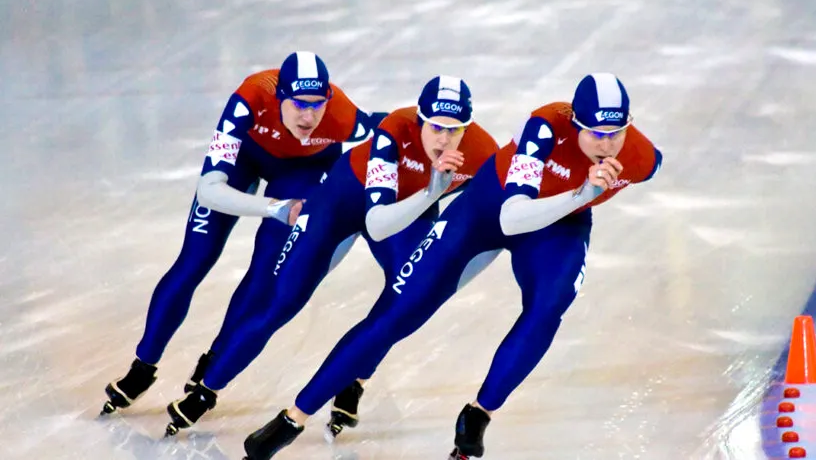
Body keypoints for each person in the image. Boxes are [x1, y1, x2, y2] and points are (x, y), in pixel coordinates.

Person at [241, 73, 664, 460]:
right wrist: (583, 191)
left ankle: (478, 414)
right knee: (399, 313)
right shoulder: (546, 127)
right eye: (595, 133)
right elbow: (512, 218)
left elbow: (653, 161)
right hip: (485, 212)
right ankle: (292, 418)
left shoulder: (640, 156)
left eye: (616, 133)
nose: (607, 144)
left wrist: (580, 198)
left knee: (548, 307)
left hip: (558, 226)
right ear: (576, 124)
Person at [162, 75, 501, 436]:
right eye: (436, 127)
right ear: (420, 119)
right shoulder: (395, 129)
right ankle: (207, 389)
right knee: (282, 301)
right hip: (342, 204)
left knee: (404, 302)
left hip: (408, 210)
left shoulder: (482, 153)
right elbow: (378, 221)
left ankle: (354, 380)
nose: (445, 139)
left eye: (456, 129)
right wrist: (433, 193)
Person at [101, 51, 387, 415]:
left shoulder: (342, 116)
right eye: (299, 104)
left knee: (265, 271)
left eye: (317, 105)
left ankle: (215, 358)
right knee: (194, 260)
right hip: (247, 159)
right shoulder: (248, 100)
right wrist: (273, 208)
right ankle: (143, 366)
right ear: (280, 96)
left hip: (304, 172)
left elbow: (392, 130)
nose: (309, 116)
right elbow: (209, 189)